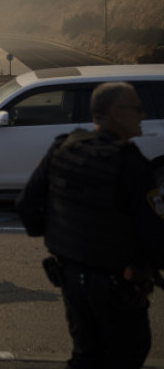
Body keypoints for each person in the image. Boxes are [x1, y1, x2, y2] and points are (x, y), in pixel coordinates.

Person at [17, 81, 164, 368]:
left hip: (72, 279)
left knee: (85, 355)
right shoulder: (130, 163)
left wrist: (64, 239)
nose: (142, 115)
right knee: (127, 354)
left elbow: (26, 207)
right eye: (136, 109)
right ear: (116, 113)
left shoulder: (63, 147)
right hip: (118, 289)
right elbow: (155, 236)